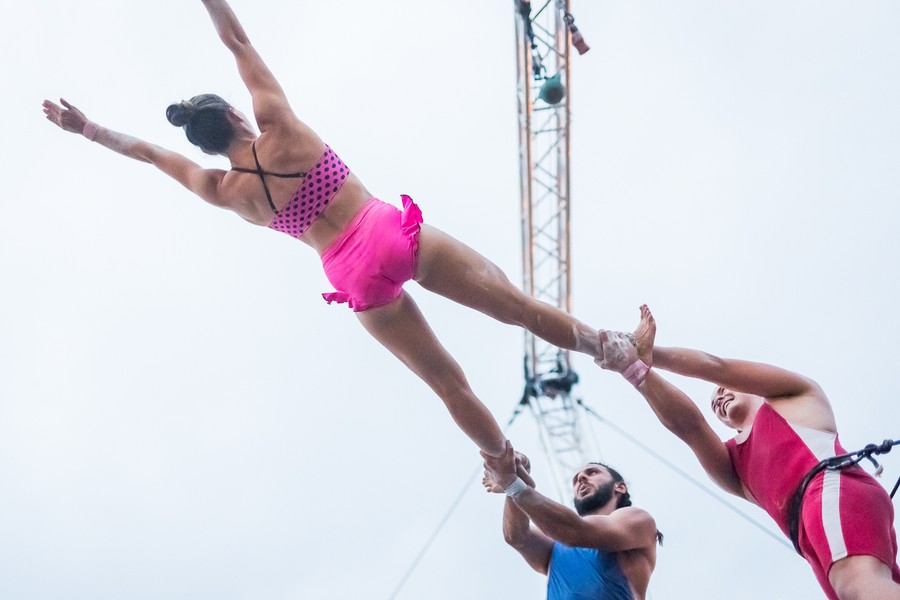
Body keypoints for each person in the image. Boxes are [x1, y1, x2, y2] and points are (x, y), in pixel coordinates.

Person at [41, 0, 609, 459]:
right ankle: (612, 350)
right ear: (236, 115)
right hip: (383, 229)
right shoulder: (279, 126)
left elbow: (149, 154)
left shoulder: (223, 191)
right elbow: (237, 42)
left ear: (207, 147)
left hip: (349, 276)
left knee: (447, 384)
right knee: (514, 306)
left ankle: (504, 467)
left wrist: (89, 130)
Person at [596, 304, 900, 600]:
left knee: (857, 587)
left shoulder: (794, 397)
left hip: (830, 489)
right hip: (808, 534)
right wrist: (636, 372)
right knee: (864, 587)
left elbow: (716, 367)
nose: (718, 399)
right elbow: (690, 428)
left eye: (722, 390)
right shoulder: (735, 467)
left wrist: (649, 354)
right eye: (713, 404)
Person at [482, 442, 660, 600]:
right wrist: (516, 476)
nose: (581, 478)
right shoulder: (556, 544)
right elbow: (517, 536)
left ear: (620, 487)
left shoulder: (638, 520)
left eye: (592, 472)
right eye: (575, 480)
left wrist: (513, 484)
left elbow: (576, 532)